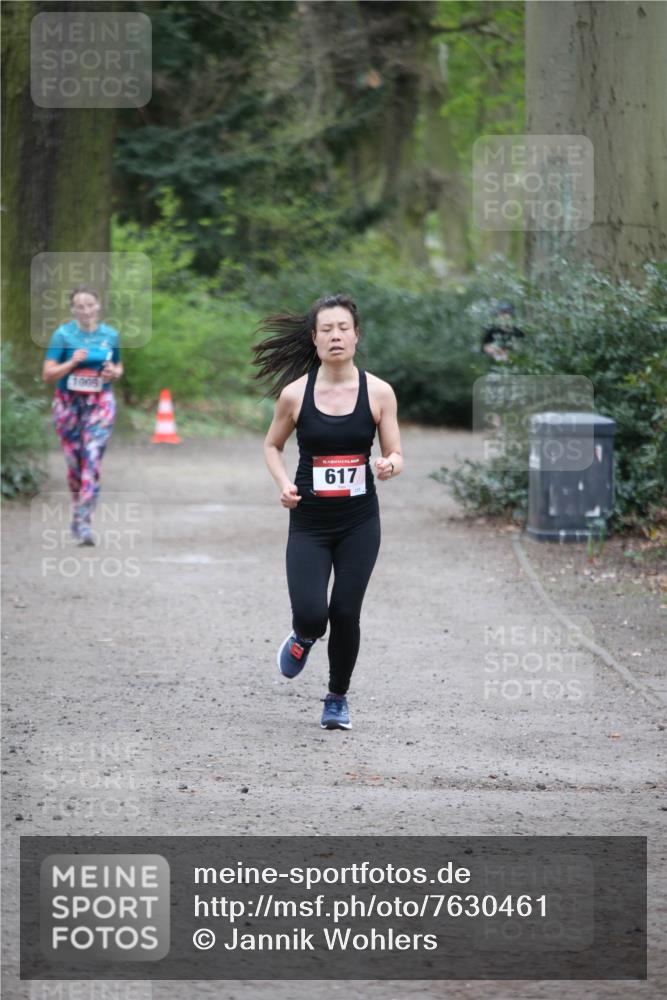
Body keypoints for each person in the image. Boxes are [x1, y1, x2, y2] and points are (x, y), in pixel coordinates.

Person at [253, 293, 403, 730]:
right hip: (310, 524)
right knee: (313, 615)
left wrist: (389, 465)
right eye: (326, 329)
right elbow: (272, 445)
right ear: (314, 339)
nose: (335, 336)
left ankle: (337, 698)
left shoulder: (379, 392)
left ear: (357, 336)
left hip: (359, 522)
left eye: (343, 328)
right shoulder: (295, 394)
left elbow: (396, 451)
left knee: (345, 613)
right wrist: (284, 484)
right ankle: (303, 636)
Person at [42, 286, 123, 545]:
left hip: (100, 404)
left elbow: (118, 366)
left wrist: (113, 373)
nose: (86, 310)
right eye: (80, 306)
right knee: (75, 466)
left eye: (90, 305)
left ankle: (85, 522)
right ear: (73, 309)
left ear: (98, 306)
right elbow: (48, 374)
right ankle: (78, 511)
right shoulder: (62, 335)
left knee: (91, 458)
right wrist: (72, 363)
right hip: (68, 405)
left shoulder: (110, 335)